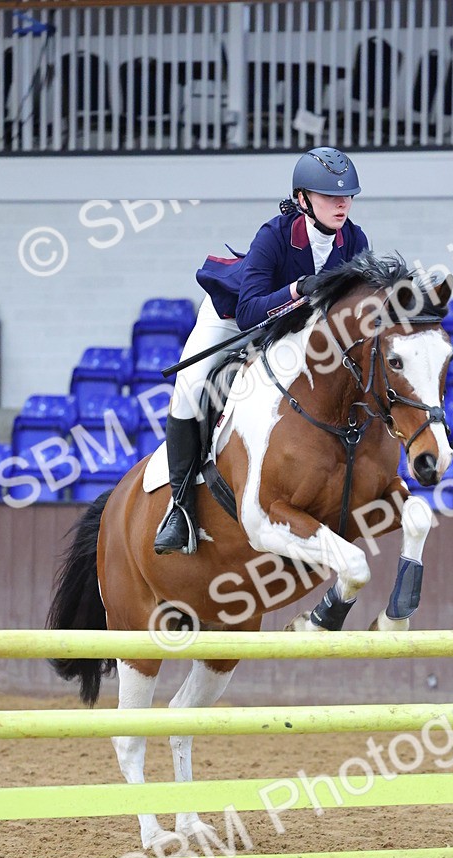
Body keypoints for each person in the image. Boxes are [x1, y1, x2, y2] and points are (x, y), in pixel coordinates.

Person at [154, 146, 369, 555]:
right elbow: (249, 312)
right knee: (191, 386)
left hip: (291, 328)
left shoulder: (354, 240)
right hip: (232, 316)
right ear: (303, 199)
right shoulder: (274, 235)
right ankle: (179, 507)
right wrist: (296, 289)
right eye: (329, 196)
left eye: (347, 196)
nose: (342, 204)